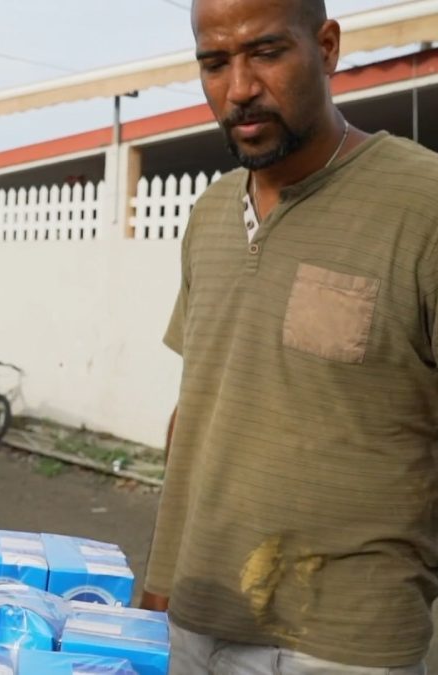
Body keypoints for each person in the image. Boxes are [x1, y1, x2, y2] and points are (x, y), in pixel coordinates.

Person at [143, 0, 438, 672]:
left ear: (327, 47)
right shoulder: (211, 213)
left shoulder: (423, 205)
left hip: (348, 645)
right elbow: (196, 411)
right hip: (195, 624)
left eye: (267, 52)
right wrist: (161, 586)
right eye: (214, 63)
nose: (240, 88)